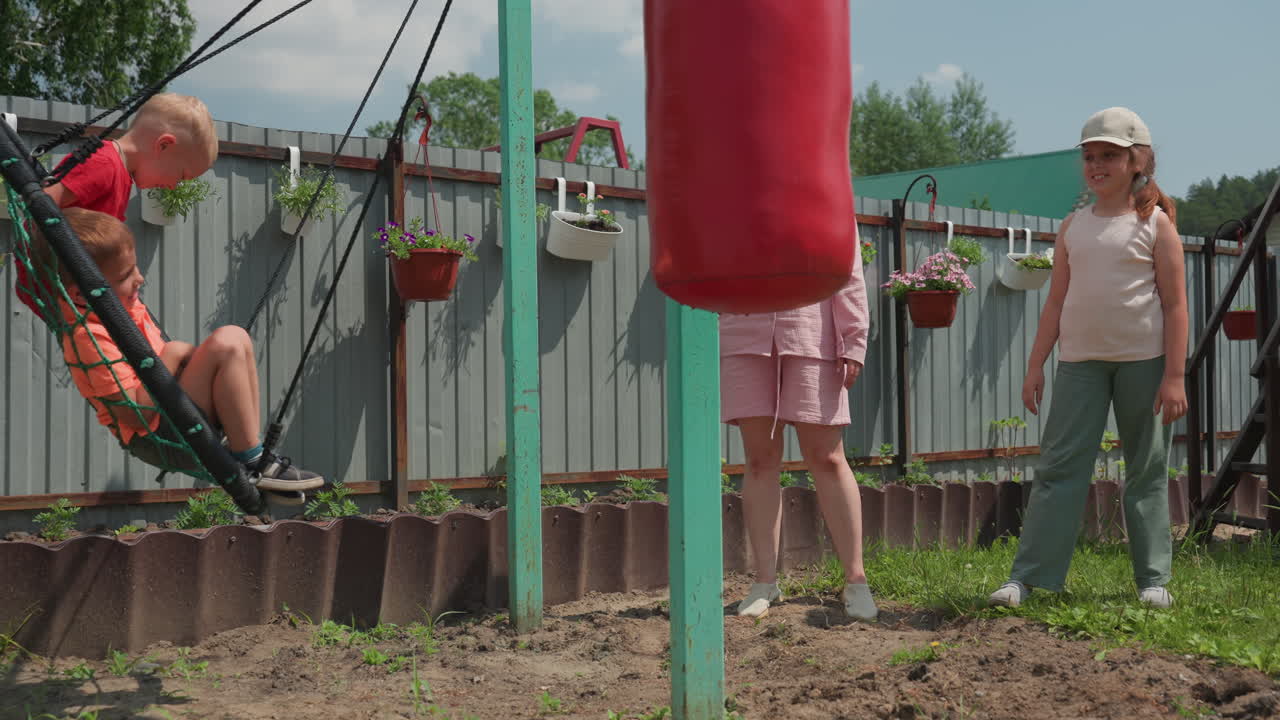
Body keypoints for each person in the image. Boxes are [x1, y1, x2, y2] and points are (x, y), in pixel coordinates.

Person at [988, 107, 1187, 609]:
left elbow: (1175, 305)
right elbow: (1055, 302)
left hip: (1145, 364)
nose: (1096, 165)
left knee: (1145, 471)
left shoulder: (1156, 225)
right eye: (1090, 157)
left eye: (1108, 156)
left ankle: (1153, 581)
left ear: (1136, 161)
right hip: (1079, 365)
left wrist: (1174, 377)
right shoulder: (1073, 226)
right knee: (1058, 469)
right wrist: (1035, 364)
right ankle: (1029, 578)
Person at [35, 208, 322, 492]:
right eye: (125, 276)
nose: (139, 278)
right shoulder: (89, 338)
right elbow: (135, 415)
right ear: (80, 294)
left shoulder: (120, 308)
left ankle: (248, 449)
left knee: (237, 339)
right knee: (226, 342)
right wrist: (172, 354)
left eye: (135, 267)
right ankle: (254, 462)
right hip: (158, 435)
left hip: (174, 414)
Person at [720, 227, 877, 621]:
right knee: (759, 460)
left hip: (813, 333)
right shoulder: (730, 198)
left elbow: (846, 264)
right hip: (742, 332)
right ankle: (764, 583)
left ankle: (856, 581)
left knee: (827, 457)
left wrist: (853, 338)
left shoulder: (824, 195)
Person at [15, 93, 218, 320]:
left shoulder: (119, 172)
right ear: (163, 145)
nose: (173, 186)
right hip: (58, 283)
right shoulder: (105, 165)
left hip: (78, 286)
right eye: (181, 176)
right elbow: (42, 205)